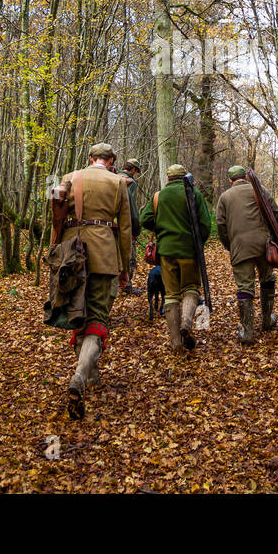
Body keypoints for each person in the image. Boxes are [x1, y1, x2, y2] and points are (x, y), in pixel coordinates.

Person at [56, 142, 132, 419]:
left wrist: (55, 250)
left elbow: (56, 216)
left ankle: (89, 375)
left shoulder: (69, 177)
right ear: (111, 160)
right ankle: (81, 375)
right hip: (103, 254)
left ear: (90, 159)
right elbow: (125, 228)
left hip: (71, 253)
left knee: (79, 314)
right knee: (98, 317)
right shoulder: (118, 182)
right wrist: (124, 266)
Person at [141, 163, 212, 351]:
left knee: (171, 294)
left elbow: (144, 219)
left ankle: (175, 343)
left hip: (166, 252)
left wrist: (161, 229)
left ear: (168, 178)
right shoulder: (194, 194)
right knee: (190, 288)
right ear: (184, 178)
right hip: (189, 251)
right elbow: (205, 225)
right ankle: (187, 323)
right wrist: (198, 242)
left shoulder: (159, 196)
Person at [214, 165, 278, 344]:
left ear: (230, 181)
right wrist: (269, 234)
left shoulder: (225, 197)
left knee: (245, 288)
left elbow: (220, 225)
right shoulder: (260, 190)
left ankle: (247, 332)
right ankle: (267, 320)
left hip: (240, 247)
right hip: (264, 246)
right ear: (245, 176)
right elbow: (277, 214)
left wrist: (230, 245)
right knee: (267, 280)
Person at [117, 158, 143, 295]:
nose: (136, 173)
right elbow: (130, 206)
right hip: (125, 227)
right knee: (129, 257)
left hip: (111, 226)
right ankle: (126, 286)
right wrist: (135, 229)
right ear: (133, 169)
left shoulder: (113, 177)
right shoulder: (130, 182)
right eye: (136, 171)